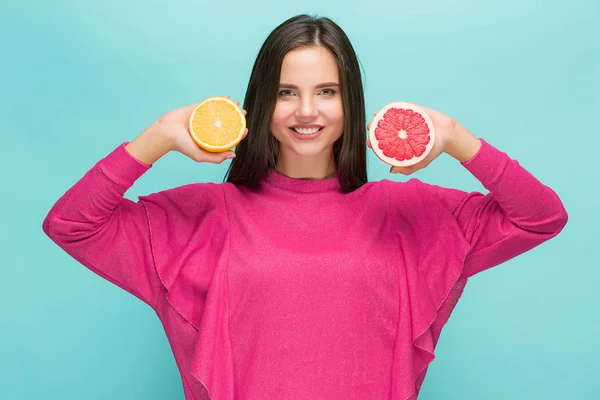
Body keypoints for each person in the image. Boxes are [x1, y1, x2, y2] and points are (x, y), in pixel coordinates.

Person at [42, 14, 568, 400]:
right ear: (261, 102)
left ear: (351, 101)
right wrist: (156, 137)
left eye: (328, 92)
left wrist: (454, 137)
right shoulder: (204, 215)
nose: (308, 111)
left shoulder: (408, 214)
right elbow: (71, 225)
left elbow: (541, 217)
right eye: (286, 91)